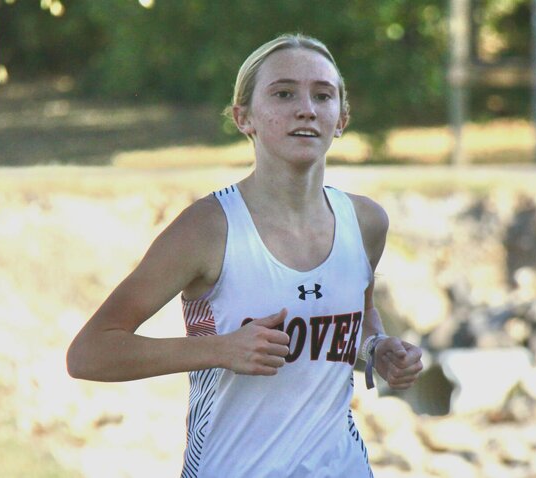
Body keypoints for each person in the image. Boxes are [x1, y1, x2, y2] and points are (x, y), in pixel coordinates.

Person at [66, 33, 424, 478]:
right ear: (244, 117)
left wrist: (376, 348)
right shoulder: (207, 228)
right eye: (283, 93)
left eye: (323, 95)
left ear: (341, 118)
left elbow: (352, 323)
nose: (306, 109)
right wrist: (220, 349)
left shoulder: (367, 223)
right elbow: (89, 354)